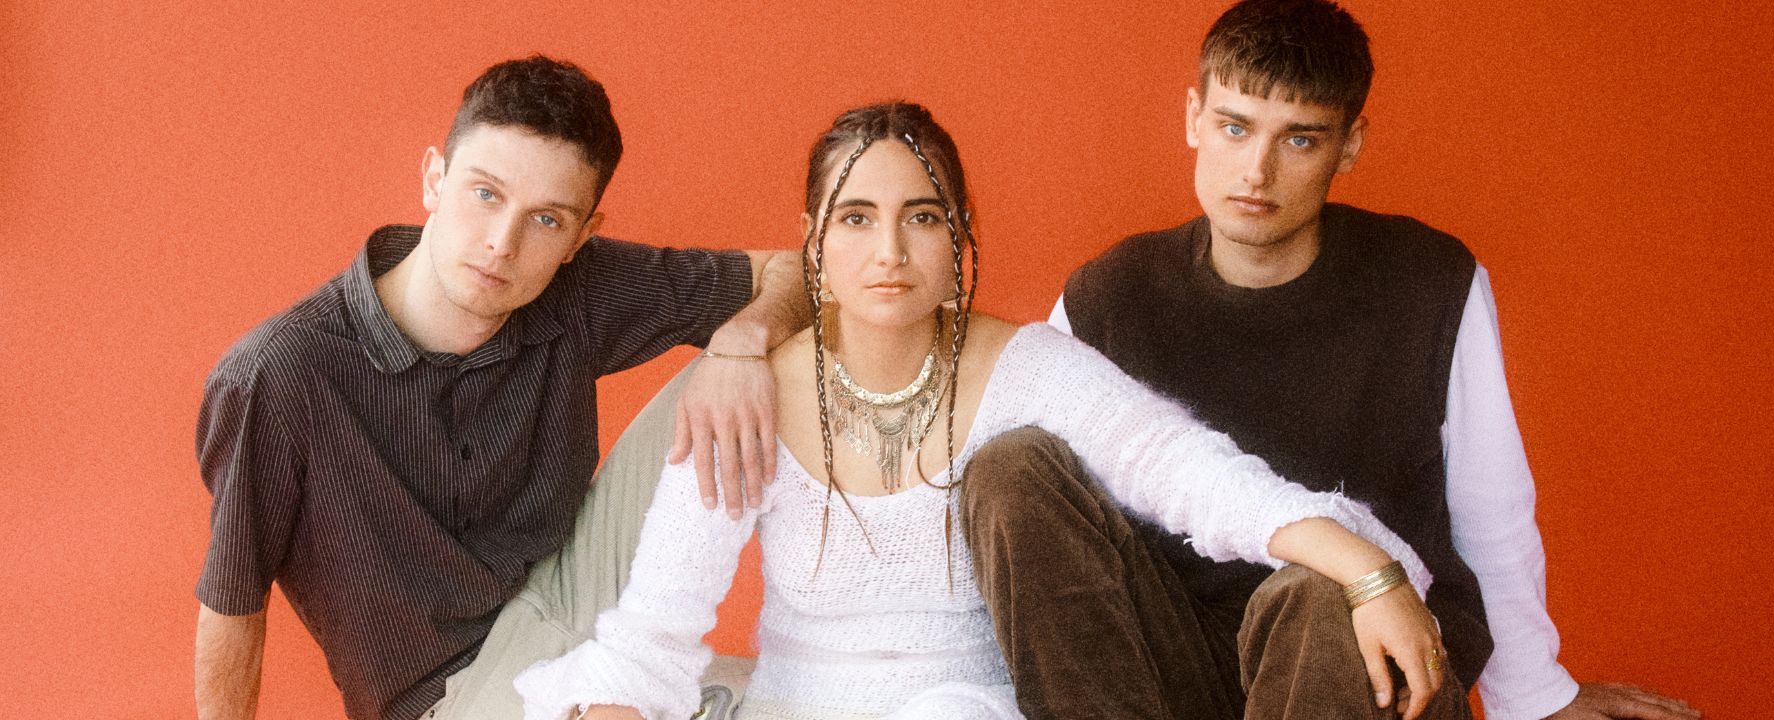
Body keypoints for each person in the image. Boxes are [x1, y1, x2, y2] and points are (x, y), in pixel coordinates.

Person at [513, 102, 1448, 720]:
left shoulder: (1025, 367)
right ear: (813, 242)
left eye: (922, 216)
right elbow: (657, 625)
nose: (889, 250)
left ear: (959, 236)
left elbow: (1188, 472)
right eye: (856, 217)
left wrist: (1369, 573)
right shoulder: (752, 394)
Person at [1029, 1, 1702, 718]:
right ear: (1194, 118)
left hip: (1376, 669)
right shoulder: (1111, 296)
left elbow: (1491, 510)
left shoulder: (1427, 281)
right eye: (1235, 127)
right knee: (1016, 464)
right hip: (1184, 674)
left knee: (1320, 588)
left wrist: (1533, 697)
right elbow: (1036, 530)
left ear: (1349, 146)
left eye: (1300, 139)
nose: (1256, 171)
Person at [191, 55, 806, 720]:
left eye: (547, 220)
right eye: (485, 194)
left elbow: (803, 273)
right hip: (450, 696)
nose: (502, 244)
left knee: (791, 349)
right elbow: (232, 606)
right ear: (434, 178)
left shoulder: (576, 288)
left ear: (580, 237)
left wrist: (742, 341)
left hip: (579, 607)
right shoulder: (279, 372)